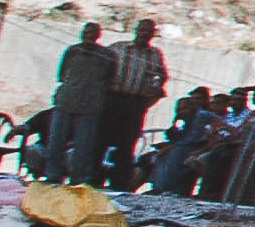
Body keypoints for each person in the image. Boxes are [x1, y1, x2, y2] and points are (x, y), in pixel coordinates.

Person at [38, 24, 115, 184]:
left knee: (84, 145)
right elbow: (62, 75)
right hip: (66, 101)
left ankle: (79, 179)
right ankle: (53, 176)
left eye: (92, 33)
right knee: (56, 141)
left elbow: (110, 81)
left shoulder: (107, 55)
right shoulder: (73, 51)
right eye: (85, 33)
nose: (88, 36)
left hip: (90, 105)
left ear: (98, 35)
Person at [98, 21, 171, 186]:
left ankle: (119, 182)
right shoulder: (118, 47)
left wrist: (150, 96)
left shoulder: (154, 54)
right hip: (113, 98)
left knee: (127, 142)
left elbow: (162, 76)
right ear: (136, 30)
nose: (144, 33)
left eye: (148, 31)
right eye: (142, 30)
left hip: (135, 102)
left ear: (153, 34)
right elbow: (101, 69)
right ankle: (94, 178)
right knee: (101, 139)